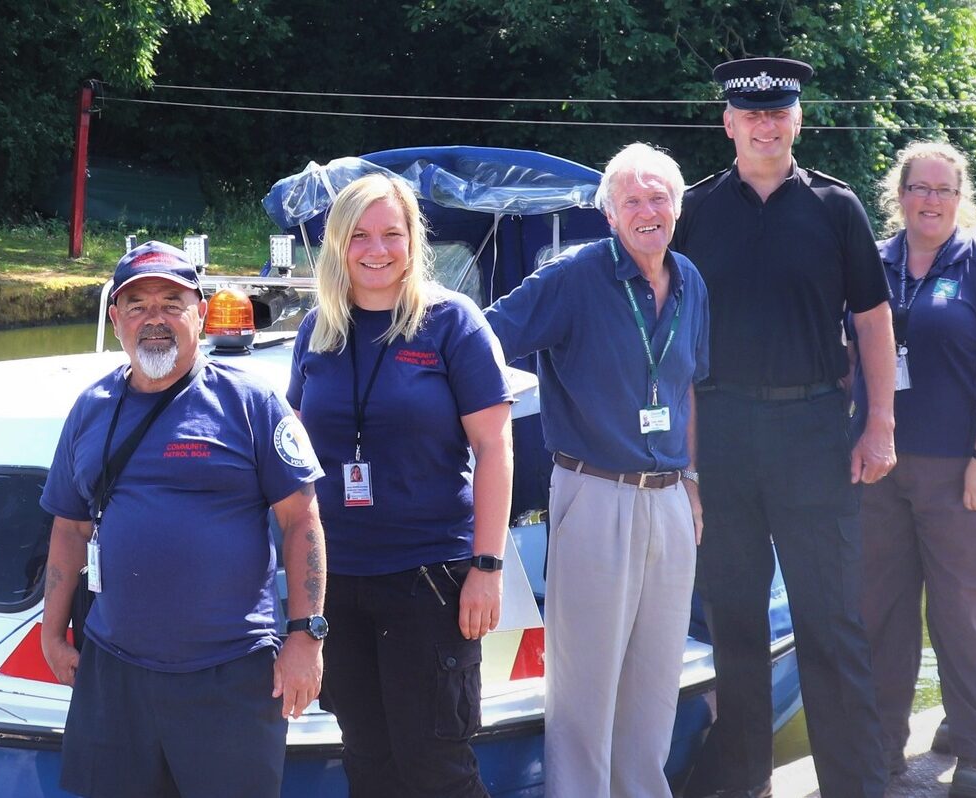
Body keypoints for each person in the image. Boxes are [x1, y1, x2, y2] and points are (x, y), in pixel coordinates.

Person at [672, 57, 896, 798]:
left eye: (779, 113)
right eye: (751, 115)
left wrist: (879, 426)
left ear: (796, 120)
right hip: (726, 432)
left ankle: (854, 786)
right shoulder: (696, 211)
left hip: (812, 430)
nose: (766, 125)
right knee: (735, 626)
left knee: (831, 625)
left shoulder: (836, 208)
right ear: (729, 123)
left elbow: (872, 318)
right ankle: (743, 783)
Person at [37, 241, 327, 797]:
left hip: (232, 677)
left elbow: (302, 521)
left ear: (200, 312)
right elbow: (69, 528)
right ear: (116, 320)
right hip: (114, 674)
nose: (155, 319)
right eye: (139, 305)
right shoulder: (90, 408)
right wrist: (51, 634)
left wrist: (306, 638)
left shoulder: (251, 401)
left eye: (172, 302)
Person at [485, 142, 707, 797]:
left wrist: (694, 482)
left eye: (659, 197)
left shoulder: (690, 279)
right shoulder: (575, 276)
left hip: (669, 496)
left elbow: (690, 383)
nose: (647, 210)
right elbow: (483, 338)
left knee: (656, 674)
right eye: (632, 200)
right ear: (609, 214)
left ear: (677, 207)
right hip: (594, 492)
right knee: (585, 683)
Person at [287, 173, 515, 797]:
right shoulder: (318, 330)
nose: (376, 249)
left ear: (415, 241)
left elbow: (495, 448)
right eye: (359, 235)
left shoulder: (452, 323)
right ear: (338, 244)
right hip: (341, 582)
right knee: (368, 759)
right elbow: (295, 458)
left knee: (436, 766)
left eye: (392, 233)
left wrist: (487, 567)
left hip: (430, 579)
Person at [857, 142, 976, 798]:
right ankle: (879, 752)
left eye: (943, 189)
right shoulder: (869, 265)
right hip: (876, 472)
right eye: (918, 188)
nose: (930, 200)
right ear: (898, 195)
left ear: (961, 200)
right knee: (881, 614)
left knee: (963, 615)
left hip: (962, 472)